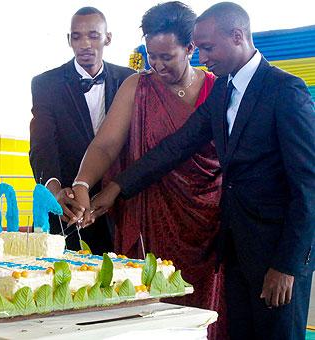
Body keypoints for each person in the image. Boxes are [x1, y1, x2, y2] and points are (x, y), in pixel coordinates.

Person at [76, 2, 315, 339]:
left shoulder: (285, 91)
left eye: (207, 47)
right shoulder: (223, 91)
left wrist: (288, 266)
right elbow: (174, 147)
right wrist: (115, 189)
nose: (202, 57)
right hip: (234, 251)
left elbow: (308, 186)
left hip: (276, 259)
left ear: (237, 36)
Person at [72, 3, 226, 339]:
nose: (157, 66)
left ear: (190, 48)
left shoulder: (221, 90)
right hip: (150, 222)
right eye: (150, 56)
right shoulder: (137, 87)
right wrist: (83, 183)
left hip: (209, 228)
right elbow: (105, 145)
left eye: (167, 57)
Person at [29, 7, 134, 254]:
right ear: (69, 40)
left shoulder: (130, 79)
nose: (85, 44)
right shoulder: (46, 84)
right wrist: (55, 191)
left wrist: (118, 188)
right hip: (66, 206)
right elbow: (42, 145)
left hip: (118, 203)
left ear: (108, 38)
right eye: (77, 37)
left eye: (93, 36)